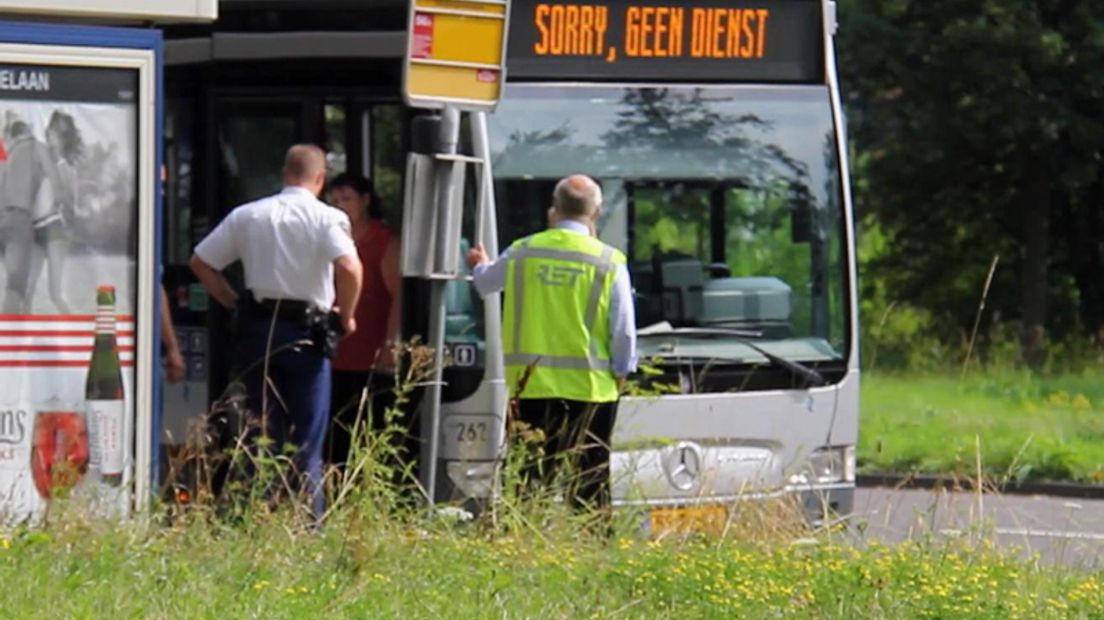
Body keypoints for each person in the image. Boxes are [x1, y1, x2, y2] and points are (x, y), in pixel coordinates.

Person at [190, 144, 363, 518]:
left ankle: (256, 519)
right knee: (307, 441)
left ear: (285, 174)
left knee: (261, 433)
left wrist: (234, 303)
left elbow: (201, 262)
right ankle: (306, 527)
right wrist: (346, 316)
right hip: (307, 332)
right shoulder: (326, 218)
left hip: (257, 331)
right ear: (320, 179)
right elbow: (349, 268)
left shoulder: (248, 215)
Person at [467, 174, 637, 511]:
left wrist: (478, 264)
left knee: (529, 482)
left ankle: (526, 547)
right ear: (597, 213)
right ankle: (593, 551)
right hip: (591, 392)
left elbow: (486, 284)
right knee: (590, 485)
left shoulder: (523, 251)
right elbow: (624, 330)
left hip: (530, 390)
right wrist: (622, 371)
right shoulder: (608, 261)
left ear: (552, 211)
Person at [323, 174, 407, 473]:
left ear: (365, 201)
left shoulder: (384, 241)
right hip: (332, 354)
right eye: (334, 201)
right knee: (333, 437)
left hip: (369, 353)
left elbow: (399, 296)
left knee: (366, 431)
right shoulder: (328, 236)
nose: (340, 206)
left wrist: (390, 343)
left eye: (347, 199)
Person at [27, 110, 82, 314]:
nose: (50, 138)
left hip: (53, 230)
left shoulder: (65, 169)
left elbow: (71, 205)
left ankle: (75, 331)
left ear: (62, 139)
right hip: (36, 229)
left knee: (55, 293)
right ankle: (19, 339)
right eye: (49, 133)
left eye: (55, 134)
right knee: (28, 290)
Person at [0, 120, 56, 313]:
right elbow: (55, 181)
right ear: (28, 131)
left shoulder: (8, 158)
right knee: (15, 287)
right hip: (19, 219)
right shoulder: (36, 147)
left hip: (3, 220)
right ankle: (8, 339)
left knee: (12, 282)